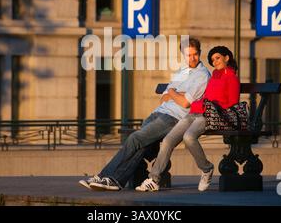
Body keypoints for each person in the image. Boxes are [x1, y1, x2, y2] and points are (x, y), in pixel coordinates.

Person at [78, 38, 210, 191]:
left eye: (195, 54)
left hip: (173, 118)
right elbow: (164, 96)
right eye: (188, 55)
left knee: (136, 138)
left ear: (199, 53)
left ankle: (108, 177)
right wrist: (176, 93)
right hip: (159, 112)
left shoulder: (202, 75)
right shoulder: (182, 71)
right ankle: (110, 180)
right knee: (140, 144)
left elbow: (185, 103)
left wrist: (173, 93)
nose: (192, 58)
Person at [136, 46, 239, 192]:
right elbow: (205, 95)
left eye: (217, 58)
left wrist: (213, 105)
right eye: (212, 60)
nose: (215, 62)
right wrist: (197, 102)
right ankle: (154, 179)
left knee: (189, 137)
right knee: (168, 141)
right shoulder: (214, 75)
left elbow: (232, 103)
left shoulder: (232, 77)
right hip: (195, 112)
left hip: (212, 115)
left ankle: (207, 168)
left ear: (227, 57)